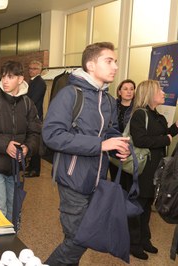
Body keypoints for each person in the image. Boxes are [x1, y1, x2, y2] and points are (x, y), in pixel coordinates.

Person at [42, 42, 130, 265]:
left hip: (97, 181)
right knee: (78, 239)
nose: (115, 67)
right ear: (91, 65)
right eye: (109, 61)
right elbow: (52, 135)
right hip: (73, 179)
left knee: (77, 237)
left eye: (115, 61)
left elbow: (108, 130)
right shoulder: (70, 95)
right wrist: (101, 145)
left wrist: (117, 143)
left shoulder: (108, 100)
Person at [0, 60, 41, 220]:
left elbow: (35, 133)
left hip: (14, 168)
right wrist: (5, 145)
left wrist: (27, 148)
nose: (5, 80)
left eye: (10, 77)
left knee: (13, 209)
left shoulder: (27, 104)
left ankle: (10, 243)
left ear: (20, 79)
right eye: (3, 76)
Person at [128, 79, 178, 260]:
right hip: (143, 169)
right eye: (160, 90)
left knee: (147, 206)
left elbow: (165, 135)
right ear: (150, 94)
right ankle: (133, 243)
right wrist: (166, 139)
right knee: (137, 206)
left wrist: (175, 129)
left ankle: (144, 239)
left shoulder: (159, 116)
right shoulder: (140, 115)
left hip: (157, 169)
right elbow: (141, 140)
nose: (164, 93)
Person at [109, 79, 136, 189]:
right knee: (115, 178)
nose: (129, 91)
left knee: (128, 180)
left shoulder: (137, 108)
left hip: (130, 147)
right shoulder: (111, 106)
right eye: (125, 89)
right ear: (119, 92)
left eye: (132, 89)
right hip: (113, 146)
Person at [25, 60, 46, 177]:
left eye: (34, 68)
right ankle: (31, 166)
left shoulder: (40, 82)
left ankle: (35, 169)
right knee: (30, 142)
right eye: (30, 68)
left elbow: (32, 99)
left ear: (39, 70)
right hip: (30, 116)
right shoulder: (32, 81)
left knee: (35, 144)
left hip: (35, 116)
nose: (31, 71)